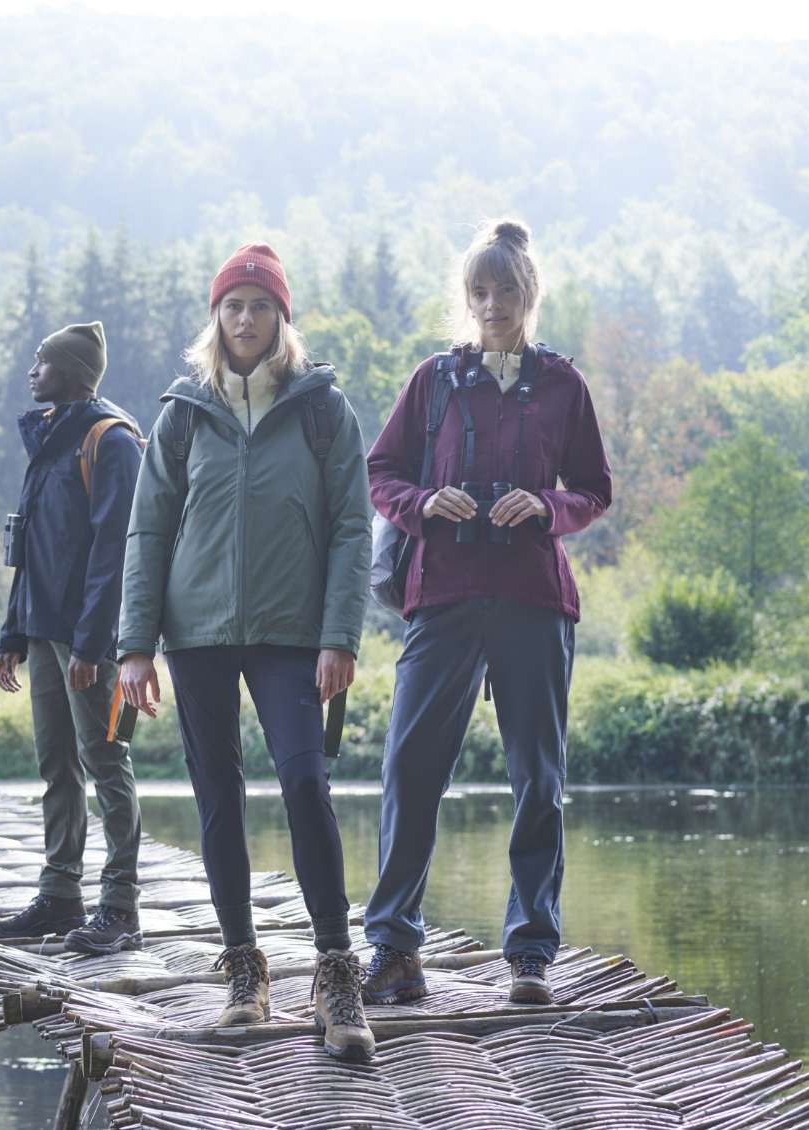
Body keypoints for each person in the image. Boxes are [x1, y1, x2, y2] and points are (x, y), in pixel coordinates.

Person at [114, 243, 375, 1061]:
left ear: (281, 318)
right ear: (216, 318)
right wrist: (134, 647)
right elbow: (149, 529)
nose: (246, 320)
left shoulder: (323, 410)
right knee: (217, 797)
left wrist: (340, 635)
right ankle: (242, 969)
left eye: (260, 306)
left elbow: (351, 527)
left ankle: (336, 970)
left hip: (294, 633)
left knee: (305, 781)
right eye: (233, 306)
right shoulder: (182, 413)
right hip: (195, 636)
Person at [360, 221, 614, 1009]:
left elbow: (594, 490)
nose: (492, 303)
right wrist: (421, 501)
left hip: (535, 600)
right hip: (442, 595)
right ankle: (396, 950)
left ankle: (531, 956)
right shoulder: (433, 381)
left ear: (528, 295)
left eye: (506, 290)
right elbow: (382, 471)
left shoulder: (564, 385)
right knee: (410, 770)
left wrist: (545, 505)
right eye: (480, 290)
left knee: (538, 778)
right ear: (465, 298)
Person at [0, 321, 146, 954]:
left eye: (42, 361)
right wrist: (12, 633)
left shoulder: (112, 441)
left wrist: (92, 643)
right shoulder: (50, 437)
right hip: (43, 631)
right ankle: (59, 895)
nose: (32, 371)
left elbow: (117, 549)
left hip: (87, 641)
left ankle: (120, 905)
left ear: (74, 371)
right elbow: (25, 545)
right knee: (56, 766)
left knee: (105, 762)